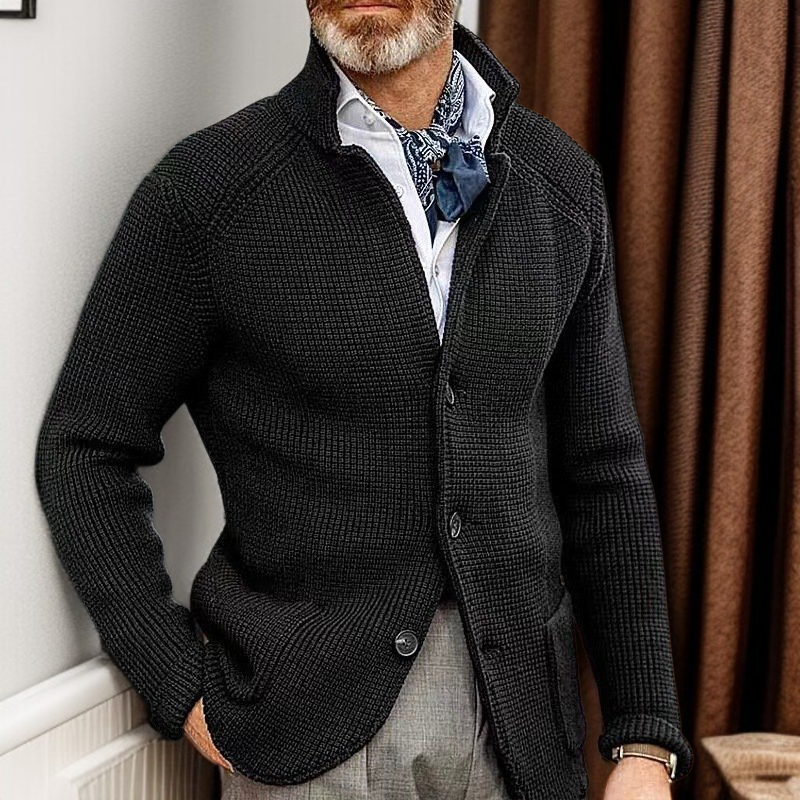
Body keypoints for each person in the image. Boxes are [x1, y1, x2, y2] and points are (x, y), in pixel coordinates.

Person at [34, 1, 694, 798]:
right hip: (306, 731)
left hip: (522, 726)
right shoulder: (209, 193)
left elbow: (603, 470)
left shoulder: (559, 184)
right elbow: (85, 446)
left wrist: (644, 734)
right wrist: (175, 681)